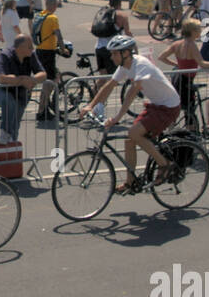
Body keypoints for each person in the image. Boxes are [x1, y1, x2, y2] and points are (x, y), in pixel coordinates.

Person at [78, 35, 183, 193]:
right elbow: (109, 86)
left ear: (126, 53)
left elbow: (133, 91)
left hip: (169, 106)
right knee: (129, 140)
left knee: (134, 133)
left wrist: (117, 118)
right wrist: (90, 105)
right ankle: (130, 182)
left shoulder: (141, 64)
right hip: (156, 105)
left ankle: (164, 164)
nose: (111, 57)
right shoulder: (124, 67)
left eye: (114, 53)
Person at [157, 19, 209, 130]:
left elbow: (161, 57)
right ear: (193, 31)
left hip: (178, 78)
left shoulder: (177, 44)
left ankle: (169, 134)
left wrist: (177, 64)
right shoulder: (191, 44)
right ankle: (192, 139)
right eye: (199, 30)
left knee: (175, 108)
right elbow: (202, 63)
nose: (200, 32)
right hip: (187, 81)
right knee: (189, 112)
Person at [0, 35, 46, 143]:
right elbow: (2, 78)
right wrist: (22, 80)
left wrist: (32, 79)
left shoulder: (31, 55)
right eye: (30, 46)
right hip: (1, 90)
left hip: (21, 92)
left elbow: (43, 74)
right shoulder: (5, 55)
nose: (32, 49)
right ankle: (4, 133)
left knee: (16, 122)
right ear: (20, 47)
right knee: (9, 102)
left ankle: (12, 144)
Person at [32, 0, 67, 121]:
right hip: (48, 53)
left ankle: (44, 107)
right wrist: (63, 49)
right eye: (56, 5)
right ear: (53, 5)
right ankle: (42, 111)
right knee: (49, 82)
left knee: (52, 78)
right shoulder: (53, 18)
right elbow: (58, 35)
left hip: (39, 50)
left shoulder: (40, 15)